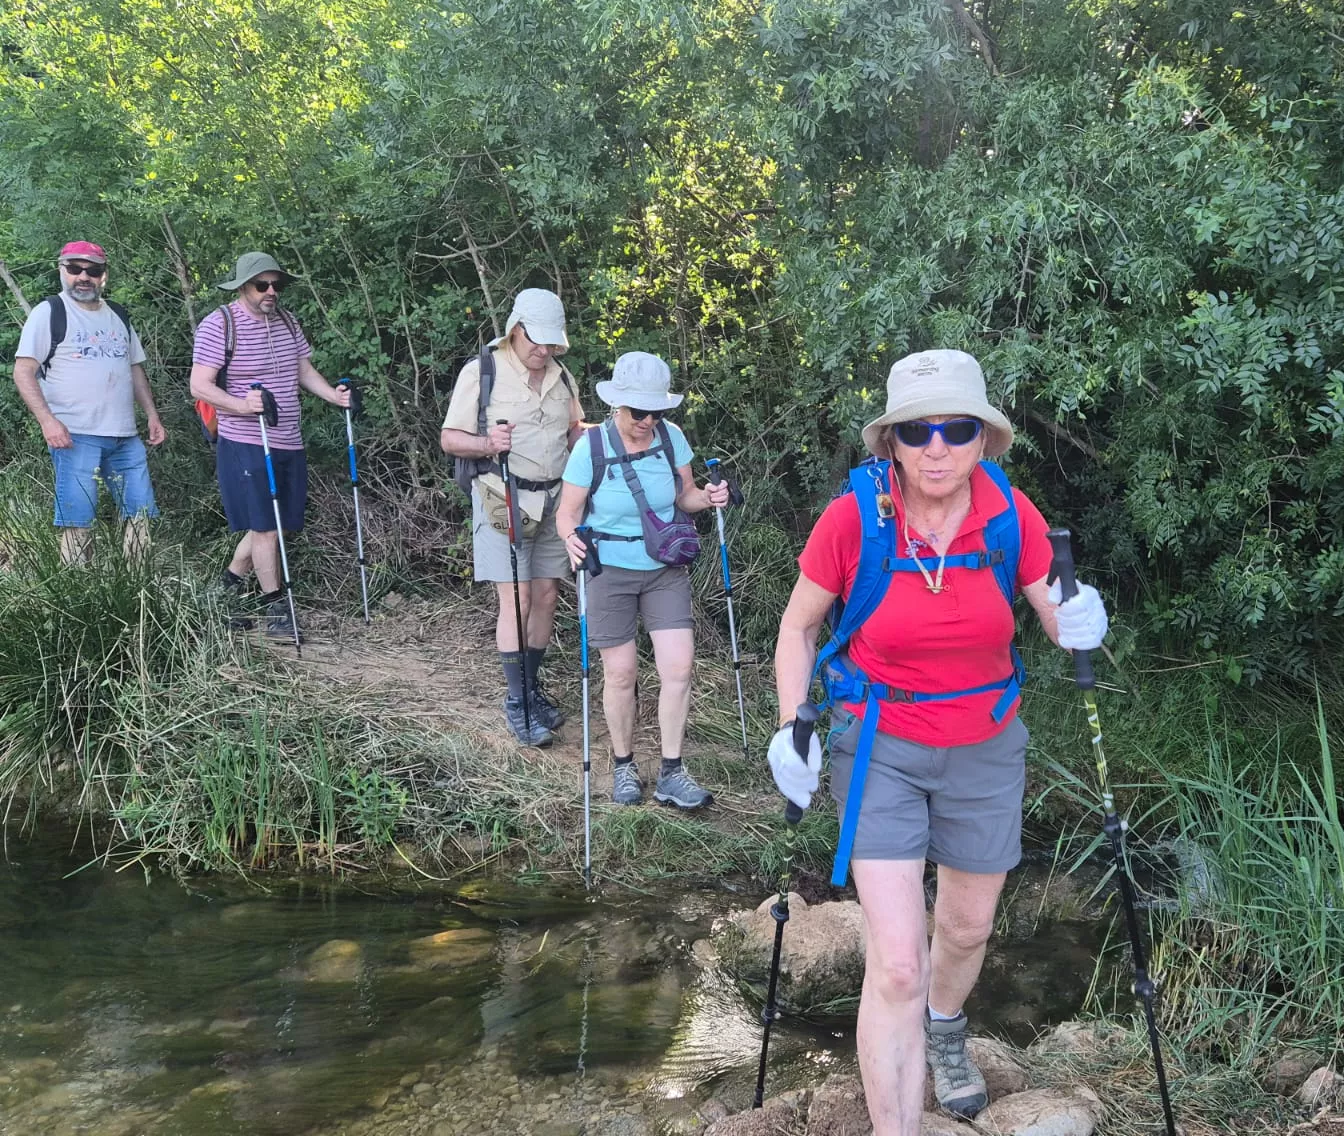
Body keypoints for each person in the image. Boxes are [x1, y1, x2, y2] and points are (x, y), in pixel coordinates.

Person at [764, 349, 1108, 1131]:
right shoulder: (854, 518)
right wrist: (792, 723)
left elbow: (1060, 617)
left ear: (984, 438)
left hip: (985, 742)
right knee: (894, 964)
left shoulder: (1008, 515)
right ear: (890, 442)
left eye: (957, 428)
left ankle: (946, 1028)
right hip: (878, 741)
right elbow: (796, 625)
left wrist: (1083, 616)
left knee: (965, 927)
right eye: (918, 431)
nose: (938, 447)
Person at [554, 351, 730, 810]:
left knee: (679, 667)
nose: (648, 420)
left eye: (657, 411)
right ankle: (624, 765)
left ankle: (672, 772)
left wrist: (708, 497)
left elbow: (682, 496)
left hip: (663, 568)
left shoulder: (671, 439)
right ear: (617, 406)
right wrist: (572, 539)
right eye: (639, 412)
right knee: (621, 672)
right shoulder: (590, 448)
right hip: (608, 570)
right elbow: (567, 514)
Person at [439, 288, 585, 748]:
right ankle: (517, 701)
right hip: (503, 499)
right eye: (536, 341)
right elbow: (449, 438)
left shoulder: (562, 376)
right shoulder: (482, 371)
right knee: (516, 600)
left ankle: (532, 687)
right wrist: (488, 445)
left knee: (545, 595)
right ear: (515, 330)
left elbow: (574, 430)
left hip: (555, 501)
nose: (544, 351)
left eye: (551, 343)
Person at [188, 252, 351, 637]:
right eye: (262, 285)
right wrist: (242, 406)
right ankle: (276, 608)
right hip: (244, 439)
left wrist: (334, 396)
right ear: (243, 286)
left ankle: (222, 592)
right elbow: (200, 385)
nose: (271, 292)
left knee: (274, 524)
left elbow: (303, 369)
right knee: (266, 528)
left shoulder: (286, 321)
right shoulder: (219, 325)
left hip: (287, 437)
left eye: (277, 284)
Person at [12, 240, 166, 564]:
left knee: (139, 515)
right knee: (77, 520)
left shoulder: (119, 315)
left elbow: (135, 370)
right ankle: (78, 599)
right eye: (75, 268)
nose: (84, 276)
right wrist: (47, 421)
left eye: (92, 270)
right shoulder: (50, 312)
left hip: (125, 437)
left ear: (103, 275)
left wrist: (152, 415)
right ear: (61, 270)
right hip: (74, 435)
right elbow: (23, 372)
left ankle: (137, 593)